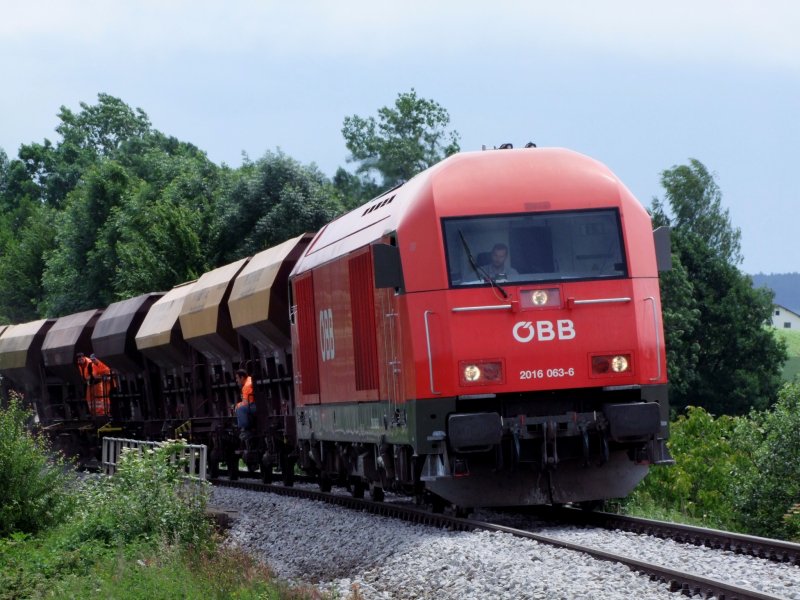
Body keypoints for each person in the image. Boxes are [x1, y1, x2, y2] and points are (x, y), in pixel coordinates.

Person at [76, 352, 113, 417]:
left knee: (100, 398)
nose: (80, 361)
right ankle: (94, 413)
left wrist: (92, 377)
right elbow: (84, 373)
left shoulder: (90, 363)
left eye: (81, 359)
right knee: (89, 398)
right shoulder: (80, 364)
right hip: (90, 382)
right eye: (79, 360)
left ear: (83, 357)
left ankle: (102, 413)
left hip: (97, 382)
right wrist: (85, 379)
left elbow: (97, 373)